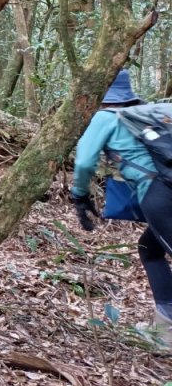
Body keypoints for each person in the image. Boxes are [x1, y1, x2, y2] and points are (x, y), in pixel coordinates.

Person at [71, 69, 172, 347]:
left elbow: (83, 162)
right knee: (149, 249)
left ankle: (167, 335)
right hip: (165, 191)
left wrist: (79, 196)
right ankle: (164, 325)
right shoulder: (151, 114)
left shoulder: (105, 118)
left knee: (153, 251)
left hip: (159, 196)